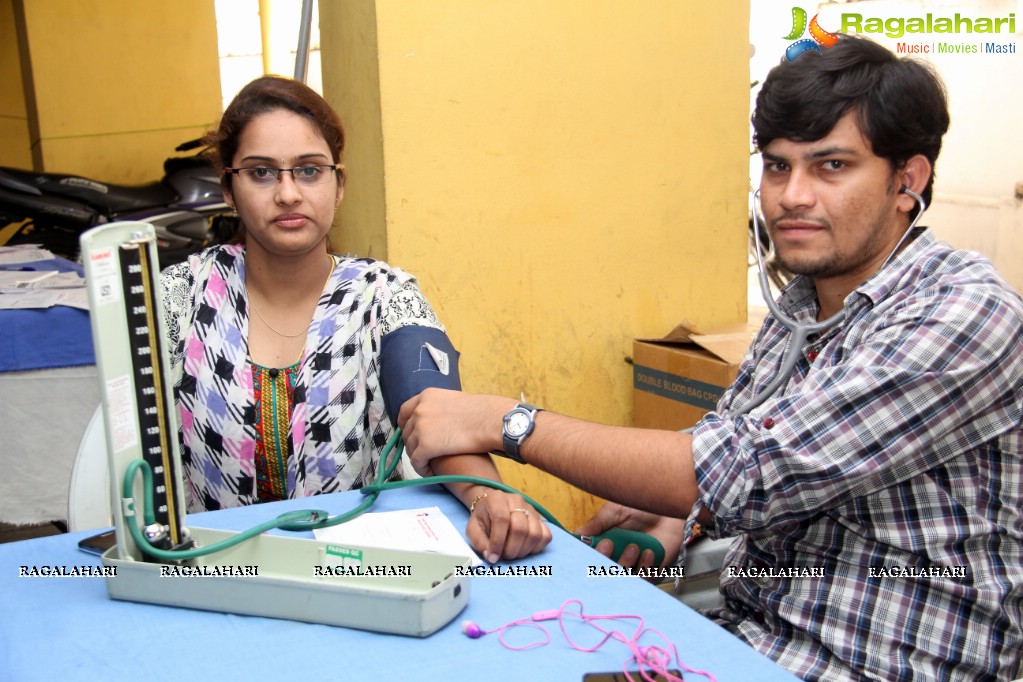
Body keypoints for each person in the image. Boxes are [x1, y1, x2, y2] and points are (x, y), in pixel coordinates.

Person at [398, 36, 1023, 680]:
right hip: (753, 622)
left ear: (907, 181)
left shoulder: (962, 313)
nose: (792, 196)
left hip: (871, 659)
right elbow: (732, 445)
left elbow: (743, 469)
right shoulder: (807, 304)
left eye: (831, 166)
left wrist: (509, 422)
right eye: (778, 167)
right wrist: (679, 520)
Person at [160, 75, 550, 563]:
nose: (287, 193)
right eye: (261, 172)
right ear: (228, 188)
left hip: (350, 572)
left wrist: (486, 496)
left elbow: (434, 412)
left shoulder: (384, 296)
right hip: (212, 569)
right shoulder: (178, 295)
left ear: (338, 184)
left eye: (309, 170)